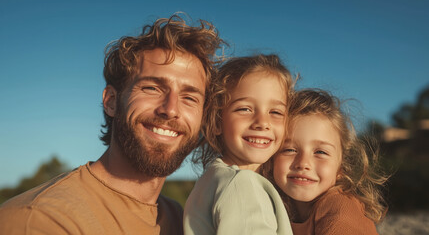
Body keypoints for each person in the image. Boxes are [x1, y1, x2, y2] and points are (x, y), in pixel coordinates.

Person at [0, 14, 224, 235]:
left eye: (190, 98)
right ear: (111, 101)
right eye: (152, 88)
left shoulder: (182, 219)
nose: (171, 109)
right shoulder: (41, 220)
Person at [183, 54, 294, 235]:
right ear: (218, 121)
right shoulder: (241, 184)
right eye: (245, 109)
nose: (262, 122)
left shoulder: (213, 179)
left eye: (275, 112)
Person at [262, 89, 388, 235]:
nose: (303, 163)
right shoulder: (277, 205)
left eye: (320, 152)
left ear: (341, 167)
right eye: (289, 150)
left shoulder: (340, 208)